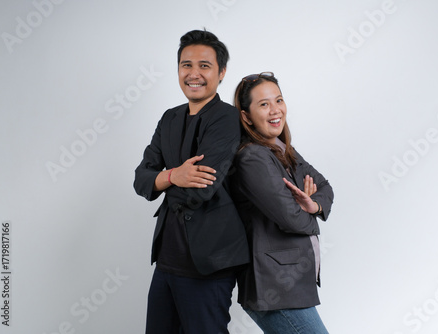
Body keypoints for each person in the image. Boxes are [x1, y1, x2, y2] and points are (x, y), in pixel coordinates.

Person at [133, 29, 249, 334]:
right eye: (186, 65)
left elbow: (203, 189)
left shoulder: (226, 117)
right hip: (167, 260)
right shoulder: (169, 118)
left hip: (208, 263)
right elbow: (140, 180)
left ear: (221, 73)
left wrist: (161, 181)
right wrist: (173, 175)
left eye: (204, 66)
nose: (193, 74)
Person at [232, 72, 334, 334]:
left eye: (278, 100)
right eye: (264, 104)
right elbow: (290, 218)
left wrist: (313, 205)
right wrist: (307, 214)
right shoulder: (252, 157)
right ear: (246, 116)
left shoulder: (282, 149)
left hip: (292, 283)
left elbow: (324, 187)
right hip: (275, 286)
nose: (275, 110)